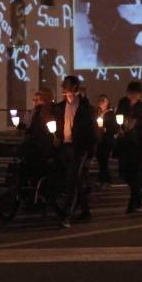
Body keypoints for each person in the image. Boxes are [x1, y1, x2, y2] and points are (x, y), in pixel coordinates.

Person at [54, 75, 97, 228]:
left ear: (73, 87)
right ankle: (86, 211)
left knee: (72, 180)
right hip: (66, 146)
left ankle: (66, 216)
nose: (62, 87)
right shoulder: (61, 106)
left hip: (79, 148)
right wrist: (58, 136)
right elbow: (59, 125)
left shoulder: (85, 107)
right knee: (77, 180)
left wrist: (90, 153)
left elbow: (92, 132)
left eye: (65, 85)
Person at [115, 82, 142, 213]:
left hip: (136, 143)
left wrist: (135, 125)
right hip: (124, 142)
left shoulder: (141, 107)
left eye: (134, 93)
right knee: (123, 172)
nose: (132, 95)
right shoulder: (123, 103)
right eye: (130, 92)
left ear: (139, 94)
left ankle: (134, 201)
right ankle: (138, 195)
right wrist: (119, 128)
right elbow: (117, 118)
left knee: (134, 172)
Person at [95, 94, 118, 185]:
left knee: (104, 159)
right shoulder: (98, 113)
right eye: (100, 100)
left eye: (104, 100)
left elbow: (114, 127)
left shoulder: (110, 113)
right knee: (100, 159)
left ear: (107, 102)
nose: (102, 102)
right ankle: (104, 178)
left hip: (107, 140)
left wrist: (106, 129)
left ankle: (104, 178)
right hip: (99, 140)